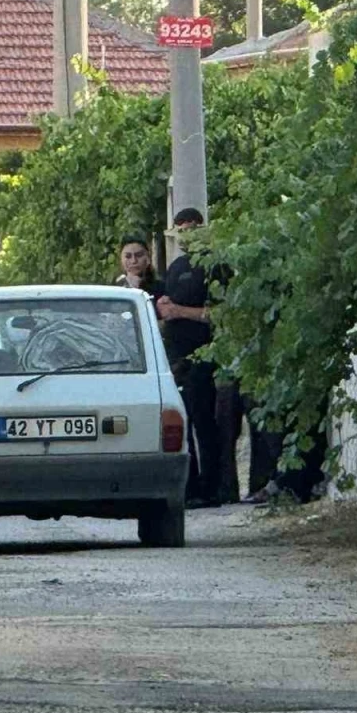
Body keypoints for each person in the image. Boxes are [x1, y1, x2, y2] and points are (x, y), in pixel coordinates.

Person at [155, 208, 222, 508]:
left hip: (204, 355)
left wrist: (180, 311)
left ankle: (212, 490)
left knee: (204, 423)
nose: (187, 233)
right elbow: (167, 307)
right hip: (176, 358)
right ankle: (190, 488)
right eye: (181, 228)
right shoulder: (176, 267)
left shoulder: (215, 265)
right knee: (183, 423)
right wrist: (165, 306)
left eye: (193, 227)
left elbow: (220, 314)